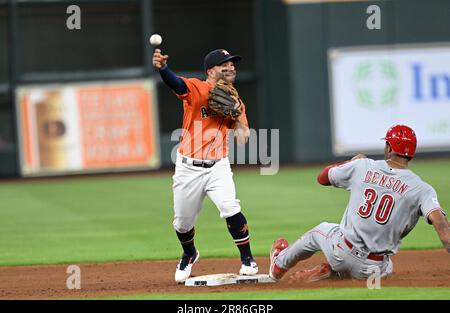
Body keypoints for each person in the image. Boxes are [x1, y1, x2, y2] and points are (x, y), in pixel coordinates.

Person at [269, 124, 450, 282]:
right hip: (372, 269)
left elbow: (322, 178)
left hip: (341, 252)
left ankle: (279, 265)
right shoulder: (422, 188)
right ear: (412, 152)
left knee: (319, 231)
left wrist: (351, 162)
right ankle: (337, 275)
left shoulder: (364, 166)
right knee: (389, 266)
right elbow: (440, 224)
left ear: (389, 147)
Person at [152, 48, 258, 283]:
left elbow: (243, 137)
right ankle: (190, 253)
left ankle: (248, 259)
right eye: (225, 64)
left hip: (218, 165)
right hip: (188, 167)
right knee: (182, 223)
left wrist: (237, 114)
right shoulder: (198, 89)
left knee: (230, 207)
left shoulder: (235, 100)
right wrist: (163, 68)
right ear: (211, 71)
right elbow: (177, 84)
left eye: (232, 64)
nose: (230, 67)